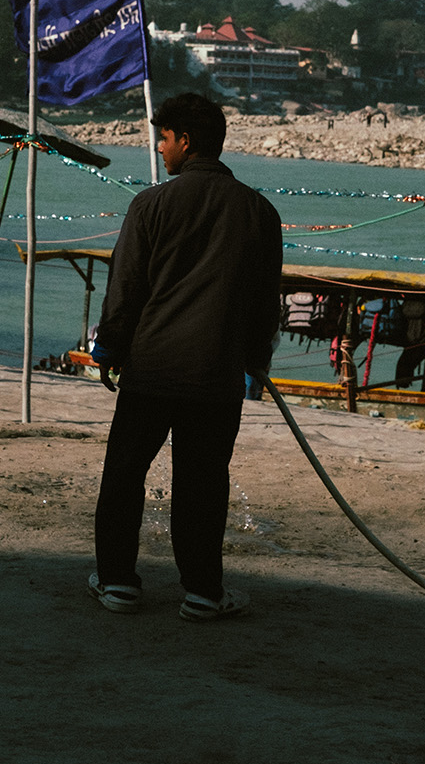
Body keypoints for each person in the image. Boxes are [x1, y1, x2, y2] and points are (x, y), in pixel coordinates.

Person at [87, 93, 283, 622]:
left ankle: (117, 582)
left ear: (186, 142)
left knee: (124, 474)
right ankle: (201, 591)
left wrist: (108, 349)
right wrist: (255, 361)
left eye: (165, 138)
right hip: (217, 375)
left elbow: (125, 289)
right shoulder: (260, 212)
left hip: (152, 369)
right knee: (203, 483)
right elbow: (266, 304)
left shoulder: (149, 205)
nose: (160, 148)